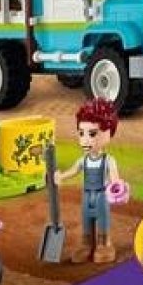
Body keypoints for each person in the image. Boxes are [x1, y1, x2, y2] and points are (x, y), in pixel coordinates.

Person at [54, 99, 122, 263]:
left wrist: (116, 187)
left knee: (102, 219)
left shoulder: (108, 160)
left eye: (92, 134)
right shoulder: (83, 160)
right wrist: (60, 176)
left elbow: (115, 179)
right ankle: (87, 244)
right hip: (86, 195)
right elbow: (73, 171)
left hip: (101, 196)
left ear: (108, 132)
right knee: (86, 219)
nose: (85, 139)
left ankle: (104, 244)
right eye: (81, 133)